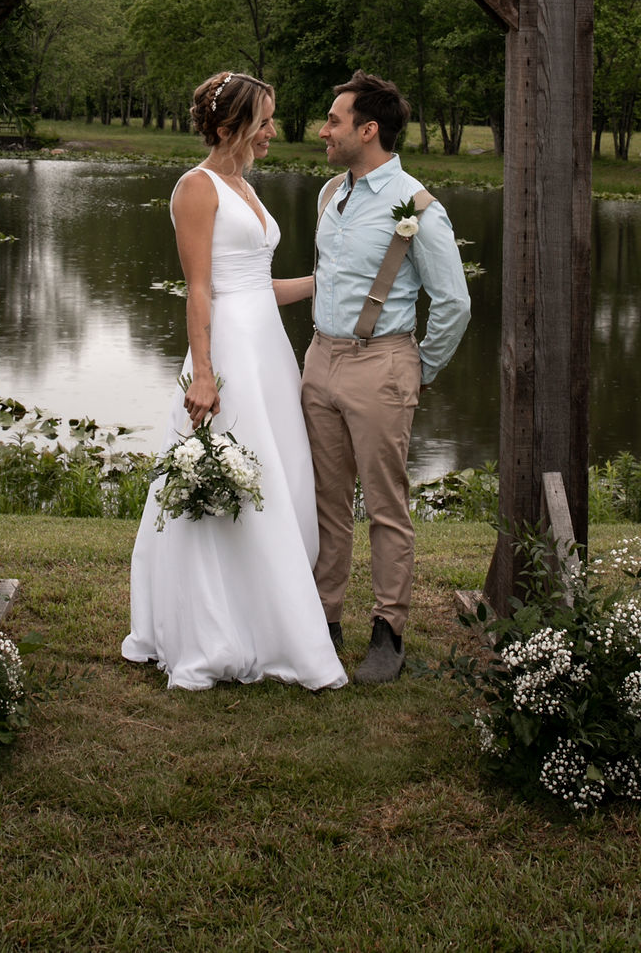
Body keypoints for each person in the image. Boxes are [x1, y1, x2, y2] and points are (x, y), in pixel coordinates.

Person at [122, 72, 347, 692]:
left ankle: (270, 616)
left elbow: (257, 285)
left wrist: (327, 282)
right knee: (228, 477)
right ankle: (215, 629)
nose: (274, 130)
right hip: (227, 353)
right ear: (229, 129)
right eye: (265, 120)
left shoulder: (244, 187)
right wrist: (203, 373)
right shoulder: (196, 188)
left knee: (277, 477)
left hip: (268, 350)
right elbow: (202, 289)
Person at [301, 70, 471, 685]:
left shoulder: (418, 207)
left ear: (368, 131)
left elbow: (453, 303)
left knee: (386, 506)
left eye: (335, 121)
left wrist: (417, 370)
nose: (324, 130)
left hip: (383, 365)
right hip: (319, 360)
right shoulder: (329, 194)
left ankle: (388, 631)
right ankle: (322, 622)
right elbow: (332, 279)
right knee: (325, 502)